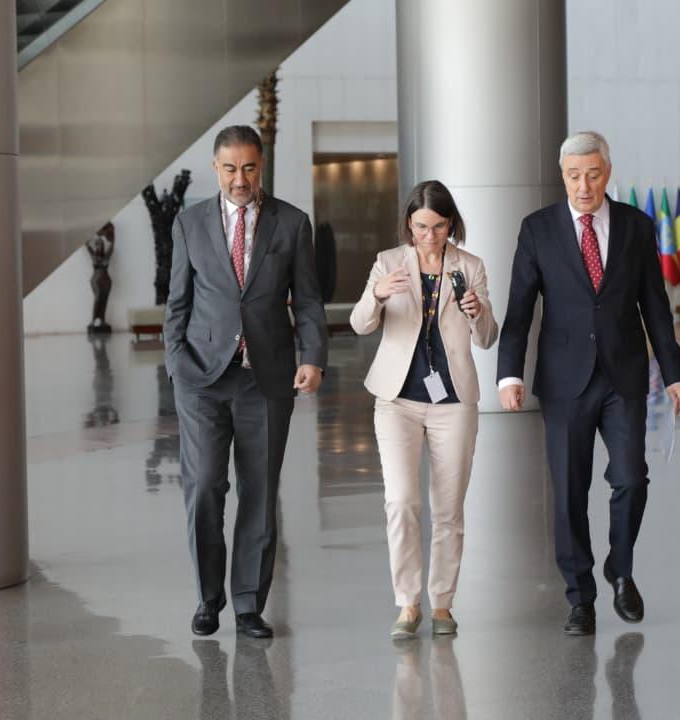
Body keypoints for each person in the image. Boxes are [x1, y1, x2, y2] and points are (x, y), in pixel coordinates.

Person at [496, 131, 680, 636]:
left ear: (608, 171)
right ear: (563, 176)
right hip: (564, 380)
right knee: (569, 492)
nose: (584, 186)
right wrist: (509, 372)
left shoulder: (636, 226)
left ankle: (620, 569)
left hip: (623, 376)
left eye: (594, 174)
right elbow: (519, 310)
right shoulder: (537, 230)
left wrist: (673, 370)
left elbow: (655, 304)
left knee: (631, 478)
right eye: (574, 175)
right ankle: (580, 596)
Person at [164, 125, 328, 638]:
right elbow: (177, 303)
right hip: (203, 379)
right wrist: (178, 367)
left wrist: (314, 355)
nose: (240, 178)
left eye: (249, 168)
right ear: (216, 167)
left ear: (262, 167)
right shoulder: (189, 224)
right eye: (231, 168)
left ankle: (249, 605)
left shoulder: (292, 223)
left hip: (266, 378)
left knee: (260, 491)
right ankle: (208, 600)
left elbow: (306, 299)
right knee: (205, 487)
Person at [350, 180, 498, 638]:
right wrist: (376, 294)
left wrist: (477, 311)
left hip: (454, 403)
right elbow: (359, 325)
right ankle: (407, 603)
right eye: (419, 227)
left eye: (437, 227)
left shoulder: (469, 267)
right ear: (408, 225)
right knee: (401, 502)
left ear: (450, 224)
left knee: (449, 509)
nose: (428, 236)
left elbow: (489, 337)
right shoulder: (388, 263)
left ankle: (443, 605)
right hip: (397, 400)